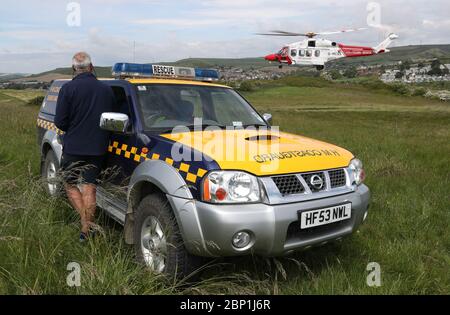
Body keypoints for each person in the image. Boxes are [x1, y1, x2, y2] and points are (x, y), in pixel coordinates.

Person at [55, 52, 115, 242]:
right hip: (98, 148)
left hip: (73, 147)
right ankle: (87, 228)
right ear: (91, 66)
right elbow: (111, 120)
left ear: (74, 68)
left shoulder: (68, 89)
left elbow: (60, 122)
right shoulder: (106, 90)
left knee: (70, 184)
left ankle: (85, 225)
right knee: (90, 188)